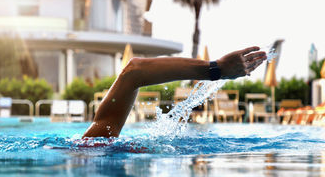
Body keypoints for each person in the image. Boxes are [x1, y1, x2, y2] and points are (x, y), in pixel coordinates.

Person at [83, 46, 267, 138]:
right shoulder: (88, 148)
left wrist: (217, 69)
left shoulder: (86, 149)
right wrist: (216, 68)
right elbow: (134, 71)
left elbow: (134, 71)